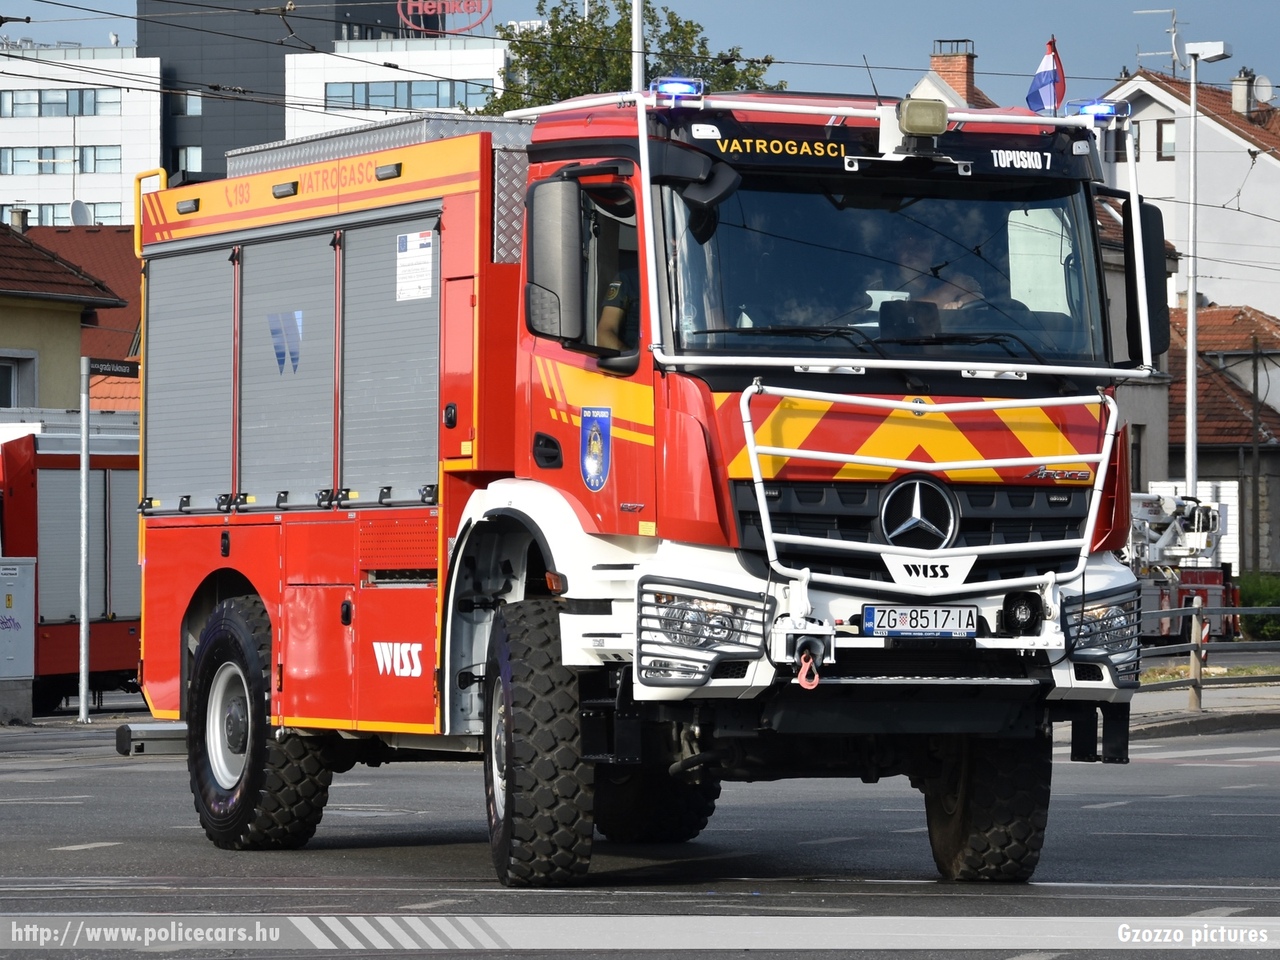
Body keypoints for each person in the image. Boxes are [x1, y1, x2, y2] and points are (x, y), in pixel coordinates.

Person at [597, 252, 640, 351]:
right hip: (636, 361)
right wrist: (632, 358)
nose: (674, 242)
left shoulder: (682, 283)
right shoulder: (627, 279)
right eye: (670, 237)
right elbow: (604, 334)